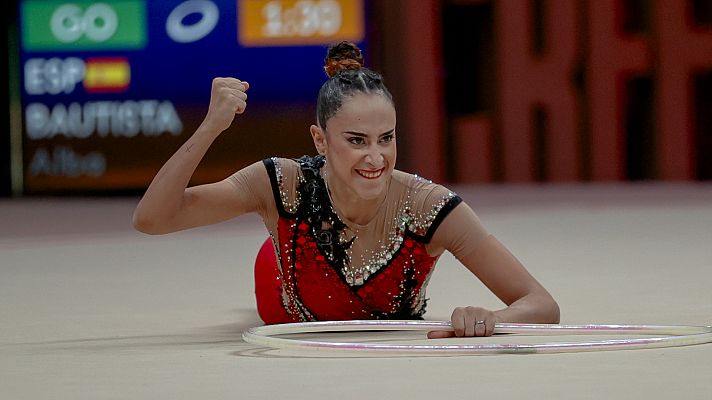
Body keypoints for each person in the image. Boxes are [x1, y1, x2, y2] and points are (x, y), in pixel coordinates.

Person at [133, 41, 560, 338]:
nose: (375, 157)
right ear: (320, 140)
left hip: (330, 283)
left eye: (385, 138)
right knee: (271, 261)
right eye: (356, 140)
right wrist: (211, 127)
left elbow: (540, 304)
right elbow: (152, 219)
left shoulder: (430, 207)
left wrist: (490, 318)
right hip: (282, 288)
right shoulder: (283, 184)